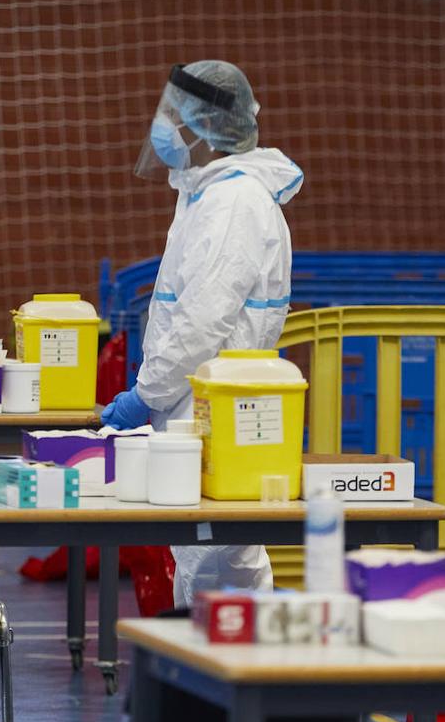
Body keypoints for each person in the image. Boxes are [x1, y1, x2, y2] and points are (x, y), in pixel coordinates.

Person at [102, 61, 304, 607]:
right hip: (201, 399)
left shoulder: (233, 202)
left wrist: (147, 395)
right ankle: (220, 674)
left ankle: (227, 680)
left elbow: (201, 323)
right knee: (215, 555)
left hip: (211, 401)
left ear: (208, 127)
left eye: (178, 116)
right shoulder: (208, 193)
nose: (166, 128)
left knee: (216, 554)